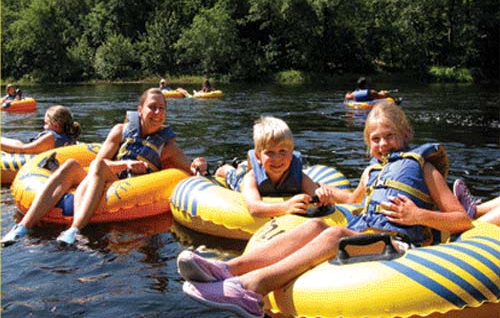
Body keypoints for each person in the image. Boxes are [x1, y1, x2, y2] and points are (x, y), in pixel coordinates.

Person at [177, 101, 472, 318]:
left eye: (389, 136)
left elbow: (460, 220)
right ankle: (227, 269)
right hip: (367, 232)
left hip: (400, 244)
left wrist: (418, 215)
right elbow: (354, 200)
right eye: (375, 139)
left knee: (336, 236)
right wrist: (331, 195)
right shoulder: (373, 172)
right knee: (316, 227)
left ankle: (250, 288)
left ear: (405, 134)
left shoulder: (425, 168)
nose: (383, 144)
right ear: (368, 144)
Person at [2, 88, 207, 246]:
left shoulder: (168, 148)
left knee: (98, 167)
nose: (157, 112)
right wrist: (124, 164)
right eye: (152, 107)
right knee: (71, 164)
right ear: (140, 110)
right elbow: (97, 163)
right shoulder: (120, 131)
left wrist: (200, 164)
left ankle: (74, 230)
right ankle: (22, 227)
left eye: (162, 108)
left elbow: (192, 169)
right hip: (107, 175)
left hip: (128, 187)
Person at [215, 116, 342, 217]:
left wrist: (323, 196)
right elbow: (254, 208)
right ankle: (225, 167)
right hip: (241, 178)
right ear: (258, 157)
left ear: (291, 153)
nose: (277, 158)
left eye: (282, 151)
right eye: (270, 152)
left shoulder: (298, 176)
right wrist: (285, 207)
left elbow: (315, 195)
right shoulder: (251, 178)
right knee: (232, 174)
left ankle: (241, 163)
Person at [1, 105, 81, 154]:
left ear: (56, 125)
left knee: (16, 144)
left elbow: (23, 150)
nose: (44, 127)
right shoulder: (70, 137)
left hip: (30, 159)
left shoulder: (50, 137)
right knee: (16, 142)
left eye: (46, 123)